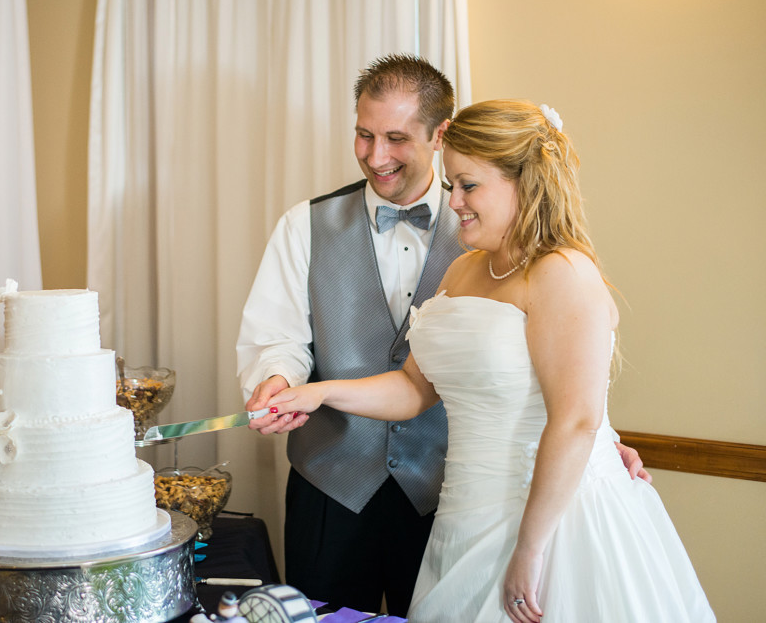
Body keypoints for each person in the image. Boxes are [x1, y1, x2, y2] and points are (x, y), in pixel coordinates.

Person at [249, 100, 715, 622]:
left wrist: (531, 549)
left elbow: (576, 421)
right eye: (453, 185)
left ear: (526, 184)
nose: (454, 203)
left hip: (551, 524)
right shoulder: (464, 272)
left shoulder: (563, 273)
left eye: (469, 186)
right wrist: (316, 392)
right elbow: (414, 389)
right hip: (464, 516)